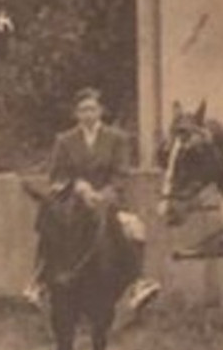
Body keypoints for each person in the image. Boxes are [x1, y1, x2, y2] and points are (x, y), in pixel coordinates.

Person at [24, 88, 162, 313]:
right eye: (82, 110)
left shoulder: (117, 138)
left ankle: (138, 282)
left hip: (109, 197)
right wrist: (78, 186)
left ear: (100, 111)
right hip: (74, 199)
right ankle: (38, 281)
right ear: (76, 114)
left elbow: (121, 174)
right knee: (49, 218)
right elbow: (57, 175)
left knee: (125, 225)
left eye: (92, 109)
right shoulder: (65, 140)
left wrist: (103, 194)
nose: (87, 114)